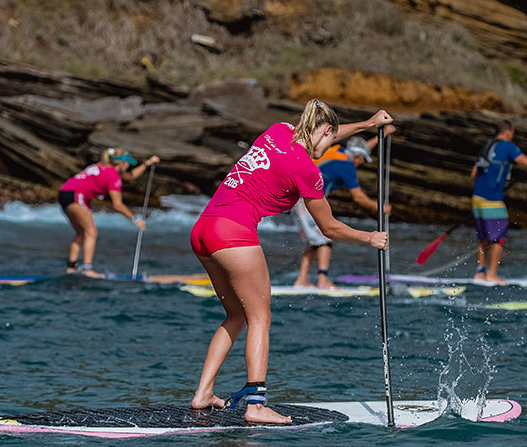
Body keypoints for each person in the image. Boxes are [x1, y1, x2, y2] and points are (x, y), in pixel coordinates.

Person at [189, 100, 390, 424]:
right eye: (330, 137)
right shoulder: (307, 170)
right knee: (260, 319)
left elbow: (321, 135)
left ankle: (203, 394)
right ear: (325, 130)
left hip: (203, 230)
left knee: (237, 315)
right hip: (233, 234)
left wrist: (367, 124)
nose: (329, 146)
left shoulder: (278, 131)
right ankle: (256, 405)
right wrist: (369, 237)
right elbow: (329, 228)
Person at [291, 128, 394, 290]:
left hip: (299, 198)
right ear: (358, 157)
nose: (361, 163)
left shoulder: (337, 150)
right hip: (306, 201)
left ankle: (302, 279)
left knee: (315, 240)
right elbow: (358, 197)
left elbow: (361, 146)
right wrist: (381, 208)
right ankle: (323, 280)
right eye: (362, 160)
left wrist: (384, 134)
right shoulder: (347, 167)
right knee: (325, 238)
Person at [58, 148, 160, 278]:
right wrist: (135, 219)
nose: (128, 166)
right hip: (77, 196)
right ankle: (87, 269)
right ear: (121, 163)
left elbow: (131, 176)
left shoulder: (103, 167)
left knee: (81, 232)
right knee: (91, 232)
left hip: (64, 193)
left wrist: (148, 163)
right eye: (127, 163)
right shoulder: (113, 175)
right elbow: (117, 205)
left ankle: (71, 268)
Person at [470, 119, 527, 284]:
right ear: (508, 133)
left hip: (477, 197)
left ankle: (480, 272)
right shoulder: (507, 146)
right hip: (492, 200)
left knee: (483, 237)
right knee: (498, 238)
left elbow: (473, 174)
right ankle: (492, 275)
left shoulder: (487, 145)